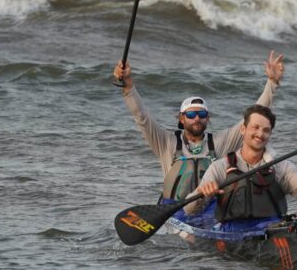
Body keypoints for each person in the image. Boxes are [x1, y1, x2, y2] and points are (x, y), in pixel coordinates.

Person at [114, 51, 285, 202]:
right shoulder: (166, 143)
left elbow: (254, 119)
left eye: (202, 115)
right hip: (174, 209)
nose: (197, 118)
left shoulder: (219, 142)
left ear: (208, 119)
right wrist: (128, 86)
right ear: (181, 119)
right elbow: (142, 117)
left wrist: (272, 83)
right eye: (190, 115)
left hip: (208, 209)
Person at [185, 104, 297, 228]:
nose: (260, 134)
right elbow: (189, 210)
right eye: (255, 127)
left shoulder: (282, 167)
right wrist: (201, 194)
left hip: (271, 231)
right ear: (243, 129)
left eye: (266, 130)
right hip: (232, 234)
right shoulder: (220, 167)